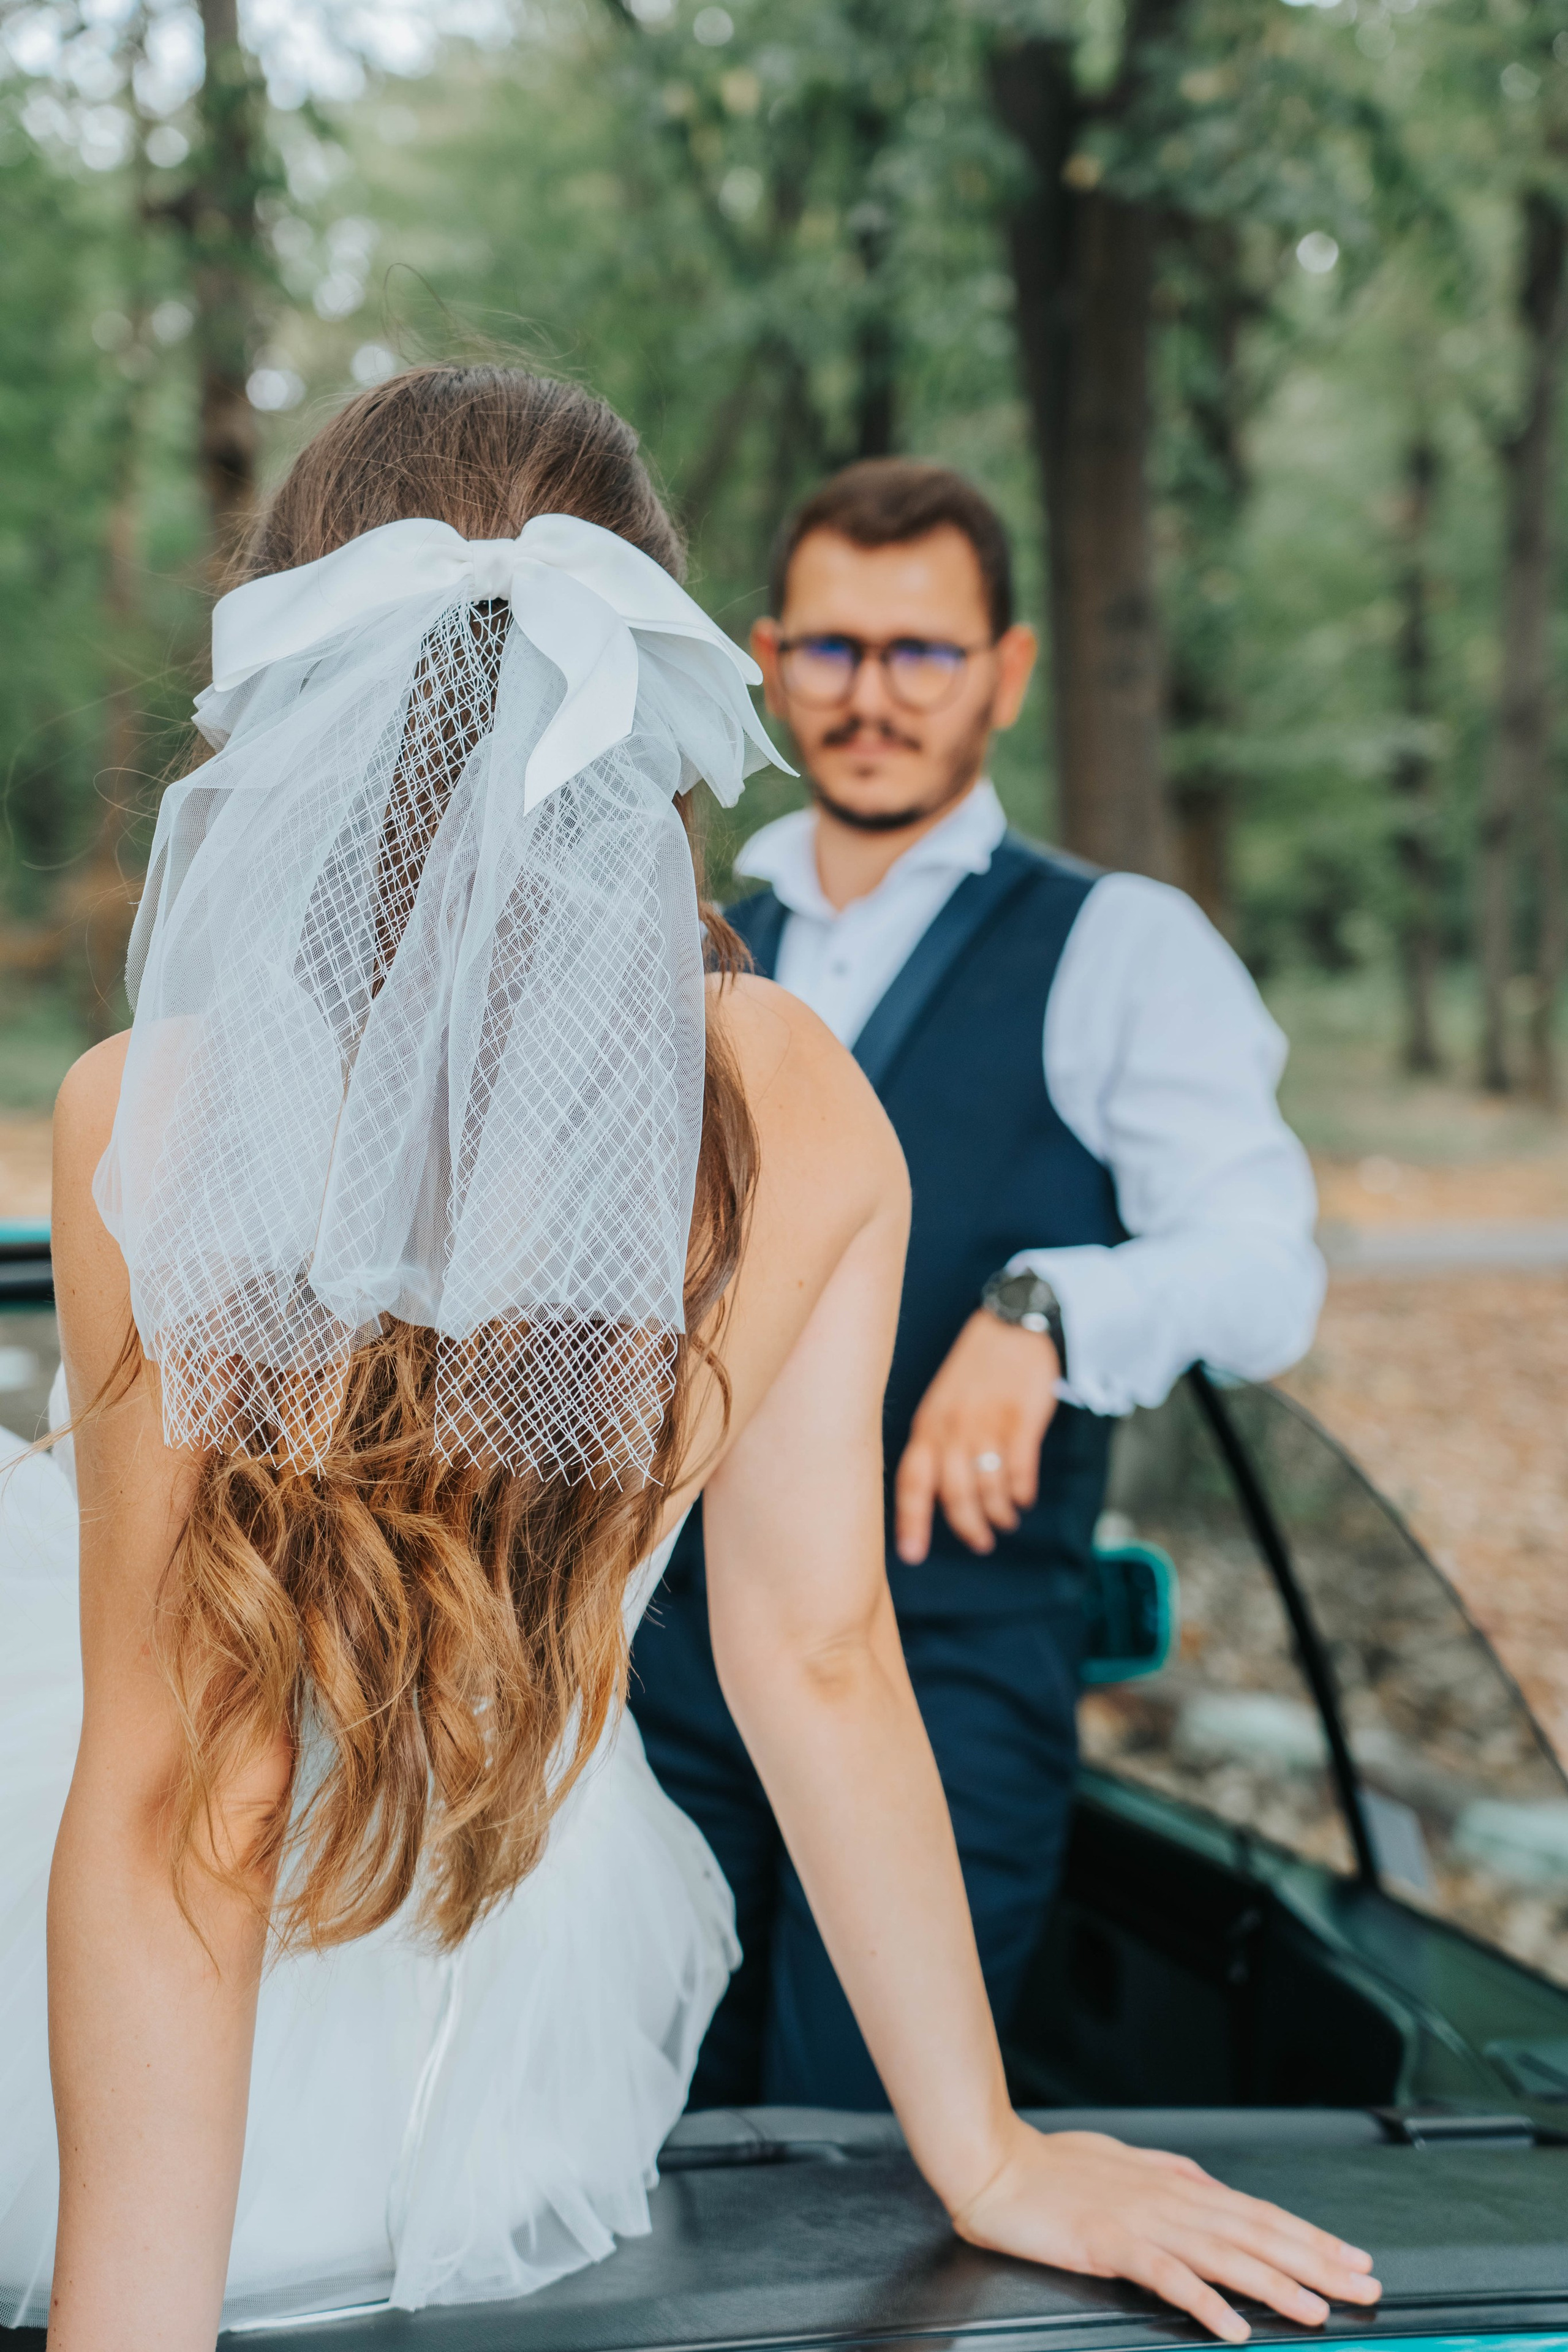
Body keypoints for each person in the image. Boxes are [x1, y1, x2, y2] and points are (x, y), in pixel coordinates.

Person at [0, 369, 1378, 2352]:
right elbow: (810, 1654)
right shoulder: (791, 1101)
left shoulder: (147, 1104)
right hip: (505, 2037)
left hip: (142, 2058)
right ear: (655, 689)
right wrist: (985, 2153)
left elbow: (181, 1799)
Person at [631, 458, 1324, 2112]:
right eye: (833, 653)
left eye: (922, 654)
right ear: (772, 656)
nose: (873, 699)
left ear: (1006, 671)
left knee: (867, 2161)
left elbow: (1265, 1272)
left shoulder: (1124, 947)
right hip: (659, 1676)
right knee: (629, 2154)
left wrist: (1048, 1310)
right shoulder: (672, 939)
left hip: (952, 1684)